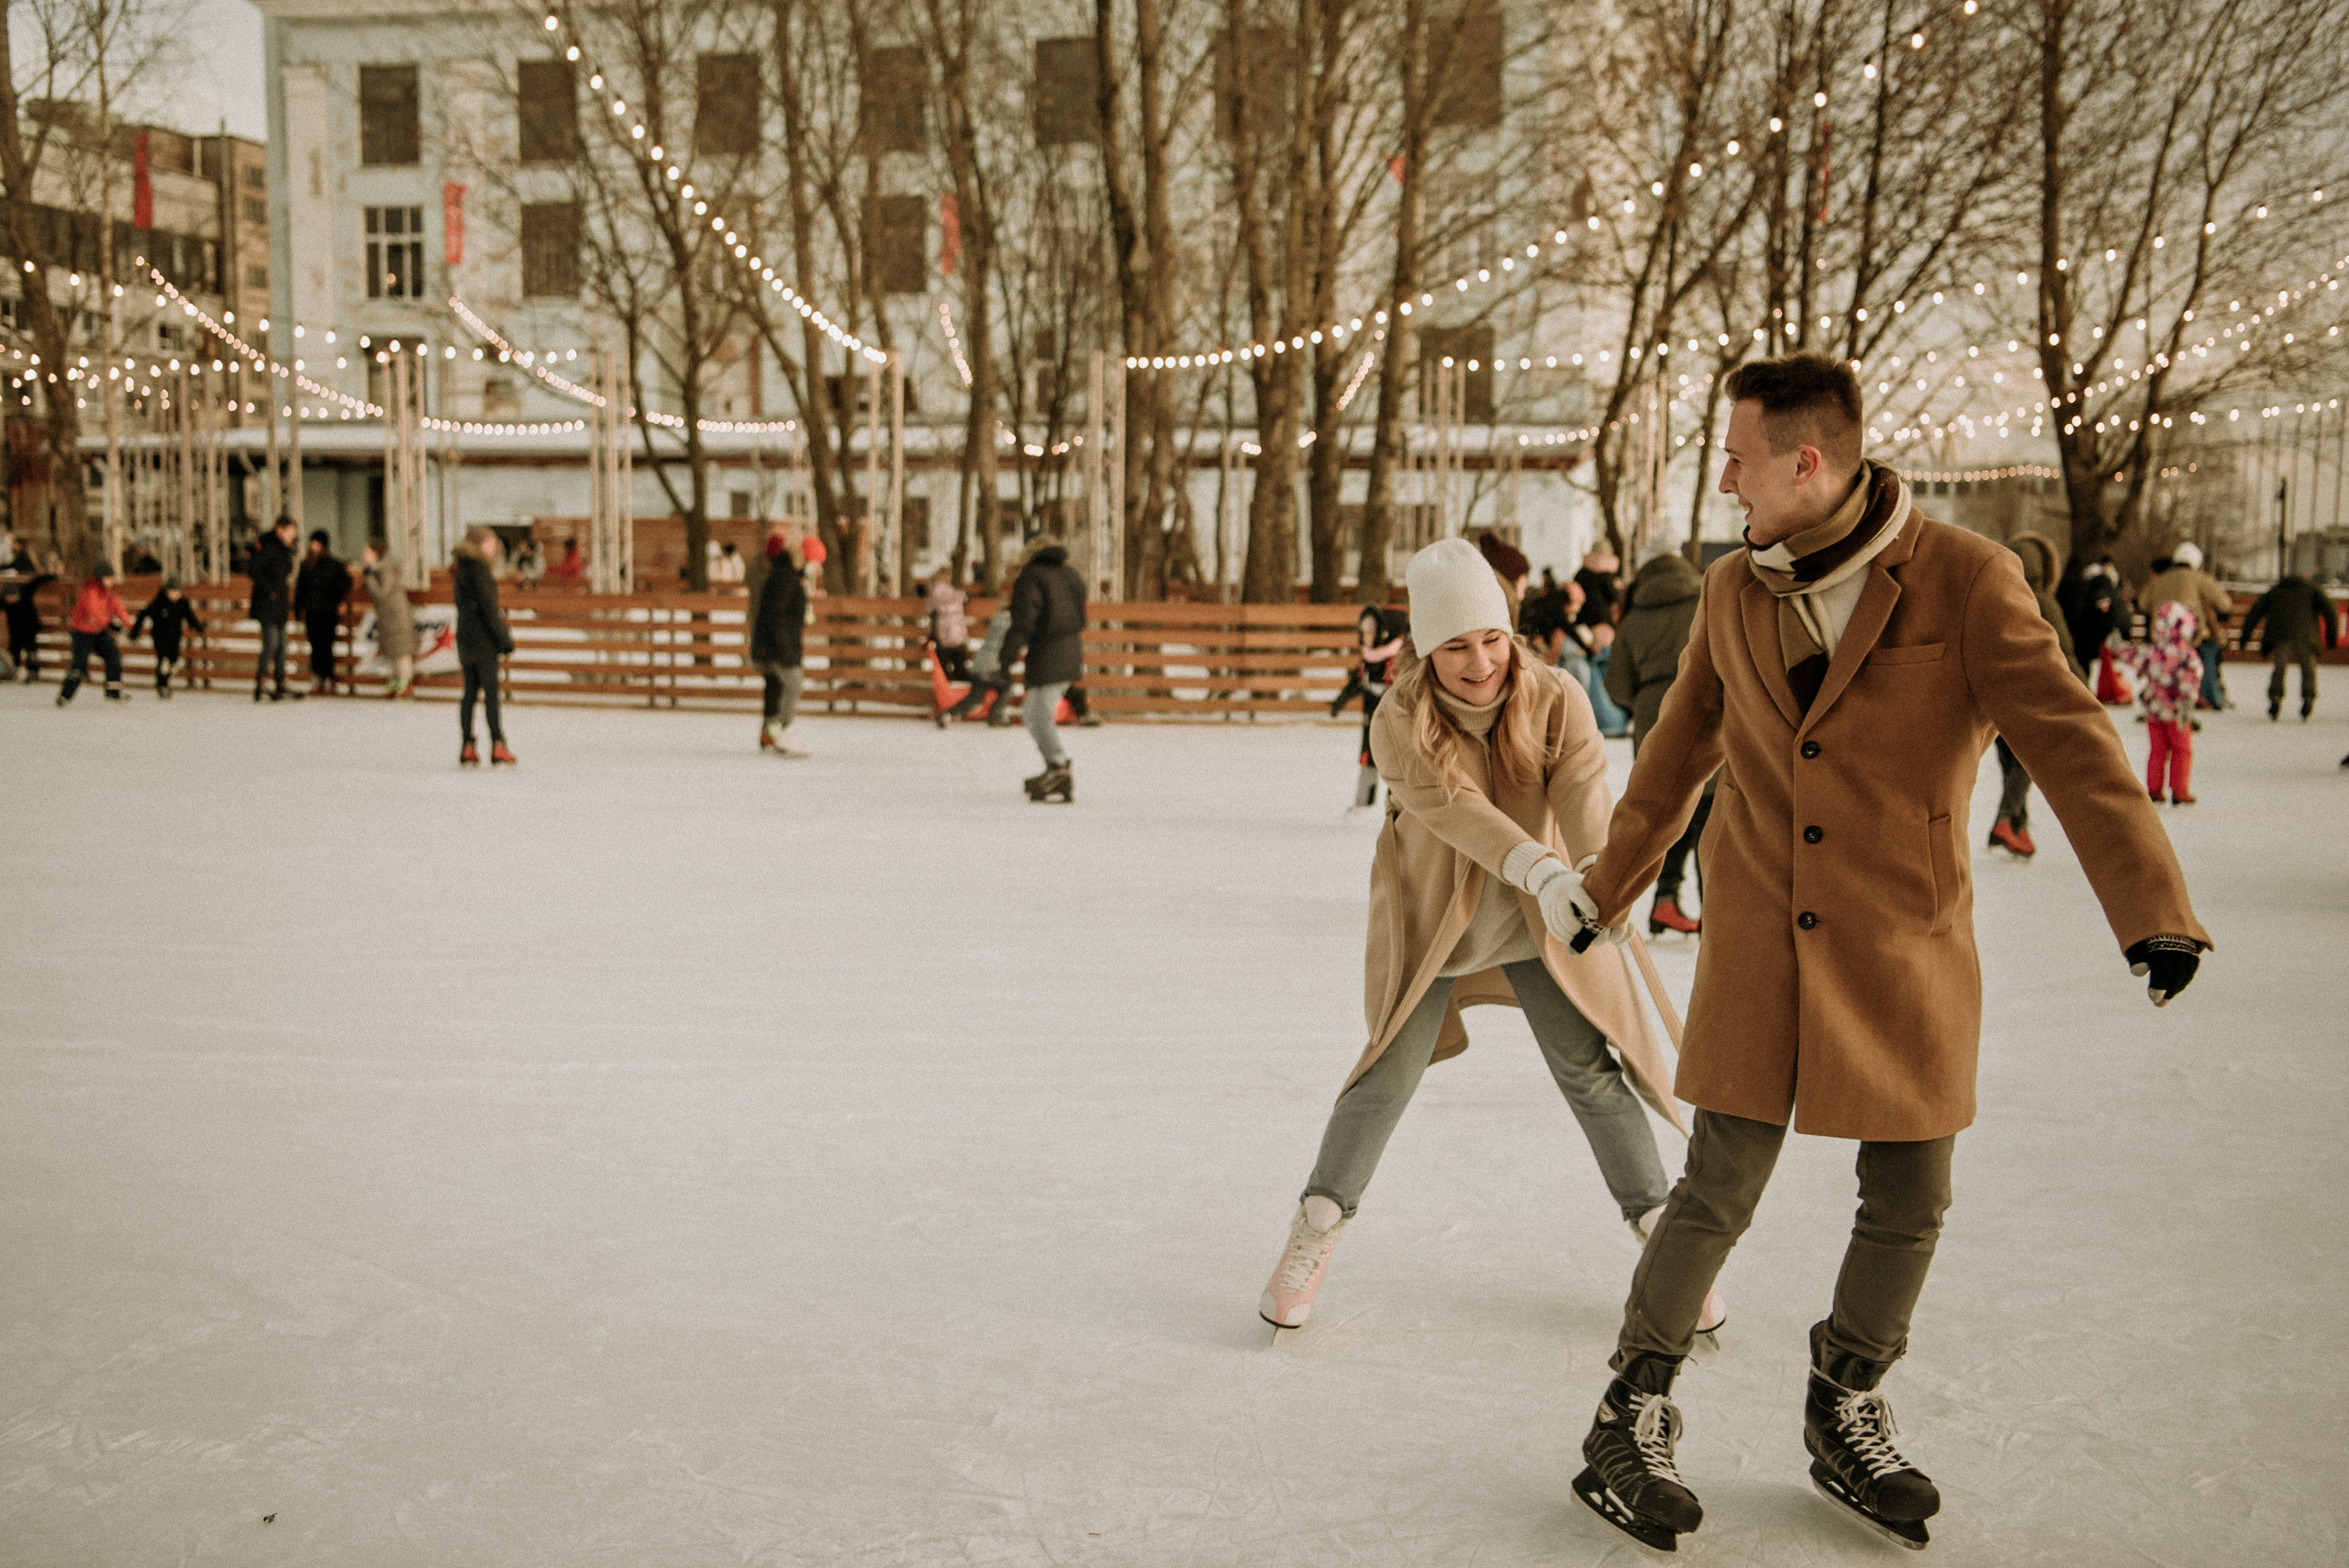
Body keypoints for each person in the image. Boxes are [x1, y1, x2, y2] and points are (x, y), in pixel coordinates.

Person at [1560, 353, 2209, 1554]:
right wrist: (1605, 890)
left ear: (1808, 464)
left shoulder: (1965, 579)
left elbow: (2067, 735)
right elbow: (1672, 756)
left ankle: (1844, 1393)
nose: (1725, 481)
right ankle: (1628, 1408)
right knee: (1717, 1185)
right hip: (1761, 940)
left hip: (1905, 940)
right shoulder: (1728, 592)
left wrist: (2151, 906)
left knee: (1911, 1196)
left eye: (1740, 460)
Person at [1258, 537, 1725, 1340]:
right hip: (1437, 917)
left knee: (1590, 1068)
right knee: (1387, 1072)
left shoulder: (1557, 696)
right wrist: (1546, 873)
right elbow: (1458, 813)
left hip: (1535, 923)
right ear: (1425, 649)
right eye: (1456, 646)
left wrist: (1594, 875)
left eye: (1491, 638)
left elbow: (1583, 788)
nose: (1480, 662)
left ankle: (1661, 1239)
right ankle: (1317, 1221)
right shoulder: (1397, 719)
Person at [1604, 547, 1709, 933]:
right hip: (1707, 706)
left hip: (1655, 717)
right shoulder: (1707, 601)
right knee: (1710, 816)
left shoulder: (1634, 618)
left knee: (1669, 812)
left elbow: (1616, 683)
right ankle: (1713, 910)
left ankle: (1665, 901)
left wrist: (1646, 700)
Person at [1987, 531, 2084, 856]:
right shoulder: (2043, 601)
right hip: (2033, 697)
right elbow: (2064, 651)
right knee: (2029, 762)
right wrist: (2083, 686)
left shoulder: (1993, 598)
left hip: (1995, 697)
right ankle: (2004, 821)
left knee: (2011, 765)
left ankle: (2020, 828)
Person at [996, 536, 1086, 803]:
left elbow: (1023, 620)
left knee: (1036, 713)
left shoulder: (1031, 577)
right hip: (1070, 650)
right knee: (1034, 712)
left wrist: (1007, 655)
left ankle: (1058, 767)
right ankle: (1054, 765)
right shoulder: (1070, 574)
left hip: (1049, 653)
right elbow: (1080, 616)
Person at [1330, 606, 1408, 821]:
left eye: (1371, 631)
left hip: (1395, 726)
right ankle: (1364, 804)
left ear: (1384, 633)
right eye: (1363, 631)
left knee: (1399, 764)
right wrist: (1341, 700)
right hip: (1371, 722)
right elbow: (1357, 680)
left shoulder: (1399, 660)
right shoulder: (1369, 660)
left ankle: (1402, 806)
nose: (1365, 636)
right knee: (1369, 760)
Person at [2124, 602, 2203, 806]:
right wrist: (2187, 700)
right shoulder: (2186, 653)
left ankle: (2154, 789)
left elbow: (2135, 658)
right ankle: (2179, 790)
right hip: (2177, 710)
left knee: (2157, 751)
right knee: (2181, 750)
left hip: (2154, 709)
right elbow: (2191, 676)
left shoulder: (2153, 650)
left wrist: (2119, 648)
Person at [2236, 569, 2338, 722]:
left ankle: (2275, 697)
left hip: (2280, 635)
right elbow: (2330, 611)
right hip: (2306, 635)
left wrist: (2245, 636)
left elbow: (2255, 612)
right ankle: (2308, 697)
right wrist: (2332, 636)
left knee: (2280, 667)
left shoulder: (2276, 591)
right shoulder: (2313, 590)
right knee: (2308, 668)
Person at [452, 527, 517, 766]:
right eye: (490, 542)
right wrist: (504, 641)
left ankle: (467, 744)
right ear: (480, 544)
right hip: (483, 641)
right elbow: (489, 610)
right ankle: (498, 744)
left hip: (466, 638)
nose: (494, 547)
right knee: (490, 693)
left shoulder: (462, 567)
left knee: (469, 693)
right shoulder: (479, 569)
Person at [2143, 542, 2232, 712]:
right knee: (2205, 656)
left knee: (2164, 662)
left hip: (2162, 634)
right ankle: (2211, 697)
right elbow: (2224, 603)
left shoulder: (2161, 580)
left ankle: (2158, 697)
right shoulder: (2199, 579)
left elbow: (2143, 602)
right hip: (2189, 635)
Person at [749, 532, 809, 756]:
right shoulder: (786, 578)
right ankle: (784, 733)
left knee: (776, 686)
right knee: (793, 683)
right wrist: (784, 647)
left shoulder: (781, 576)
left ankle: (771, 733)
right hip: (777, 646)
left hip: (769, 643)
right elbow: (777, 616)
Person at [54, 560, 132, 705]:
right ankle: (65, 695)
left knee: (113, 655)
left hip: (98, 632)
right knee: (80, 664)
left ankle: (113, 691)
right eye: (108, 577)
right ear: (99, 577)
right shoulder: (91, 592)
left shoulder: (110, 593)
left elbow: (119, 609)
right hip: (82, 632)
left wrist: (130, 626)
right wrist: (109, 624)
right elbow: (93, 612)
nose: (111, 580)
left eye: (112, 577)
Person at [294, 529, 352, 696]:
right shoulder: (306, 565)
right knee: (315, 647)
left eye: (317, 543)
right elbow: (300, 590)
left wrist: (335, 596)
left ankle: (328, 678)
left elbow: (346, 582)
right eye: (312, 543)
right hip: (312, 612)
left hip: (328, 612)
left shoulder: (334, 565)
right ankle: (317, 677)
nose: (314, 546)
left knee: (326, 646)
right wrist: (299, 610)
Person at [939, 604, 1017, 727]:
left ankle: (948, 714)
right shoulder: (1012, 624)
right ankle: (996, 715)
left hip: (978, 665)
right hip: (991, 667)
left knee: (975, 697)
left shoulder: (997, 620)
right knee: (1007, 687)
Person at [129, 576, 206, 698]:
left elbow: (190, 617)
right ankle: (162, 684)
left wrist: (198, 628)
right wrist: (135, 631)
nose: (175, 595)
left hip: (175, 636)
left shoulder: (182, 603)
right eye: (172, 592)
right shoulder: (159, 603)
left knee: (173, 659)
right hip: (159, 636)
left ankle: (164, 680)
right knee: (163, 659)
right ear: (167, 591)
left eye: (177, 592)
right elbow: (144, 613)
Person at [249, 516, 299, 701]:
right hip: (267, 604)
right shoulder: (268, 545)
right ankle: (261, 680)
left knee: (282, 643)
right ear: (280, 530)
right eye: (290, 533)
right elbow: (254, 569)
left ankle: (280, 680)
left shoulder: (283, 549)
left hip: (279, 604)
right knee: (272, 642)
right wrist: (269, 590)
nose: (293, 537)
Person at [361, 541, 417, 698]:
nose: (363, 555)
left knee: (401, 652)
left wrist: (369, 580)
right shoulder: (376, 570)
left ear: (376, 554)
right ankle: (396, 682)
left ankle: (405, 684)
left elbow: (382, 593)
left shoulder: (384, 569)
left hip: (396, 617)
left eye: (367, 552)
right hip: (388, 618)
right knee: (392, 652)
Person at [5, 565, 56, 681]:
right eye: (7, 598)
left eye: (11, 597)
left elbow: (36, 582)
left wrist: (50, 576)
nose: (10, 600)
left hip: (29, 627)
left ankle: (33, 671)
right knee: (14, 650)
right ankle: (13, 670)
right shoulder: (5, 602)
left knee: (31, 650)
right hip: (15, 630)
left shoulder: (25, 592)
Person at [927, 573, 972, 682]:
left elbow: (932, 618)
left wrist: (930, 636)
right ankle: (962, 695)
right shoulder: (956, 594)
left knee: (943, 672)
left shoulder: (933, 598)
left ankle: (946, 695)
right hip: (959, 638)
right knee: (960, 670)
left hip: (944, 640)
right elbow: (966, 597)